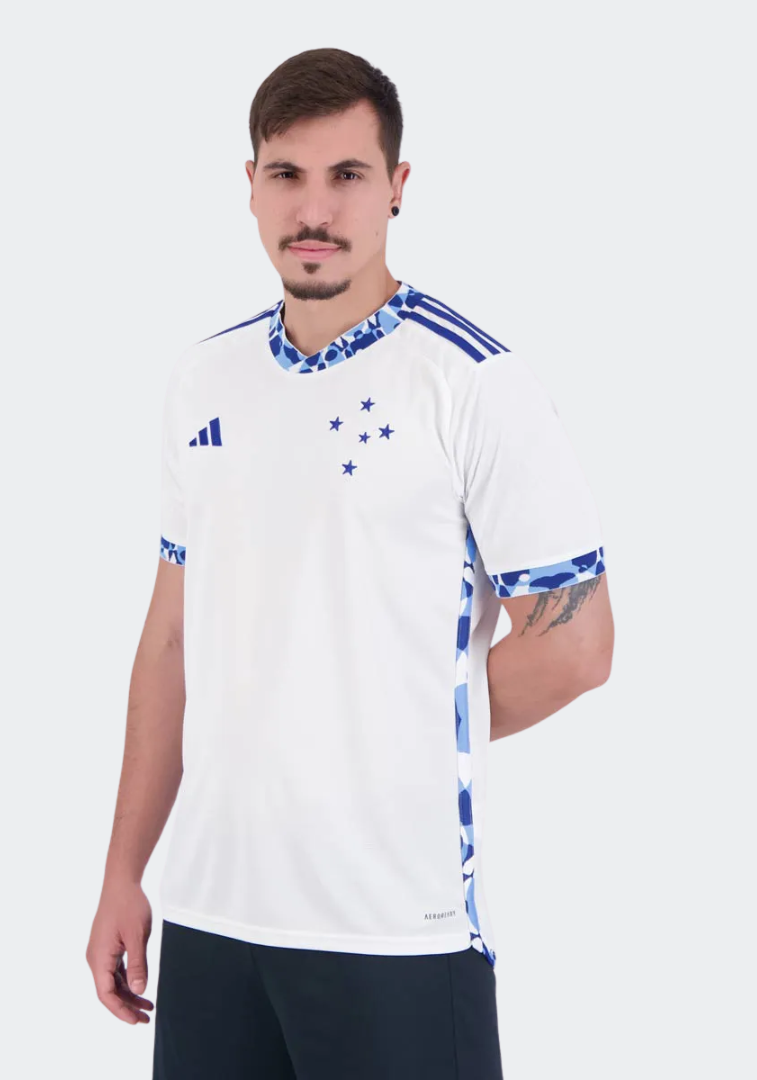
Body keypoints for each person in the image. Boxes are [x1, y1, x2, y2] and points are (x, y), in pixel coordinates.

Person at [86, 46, 614, 1079]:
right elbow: (171, 639)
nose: (314, 208)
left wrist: (378, 731)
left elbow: (577, 644)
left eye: (348, 175)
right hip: (211, 917)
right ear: (250, 185)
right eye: (287, 174)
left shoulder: (470, 381)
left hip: (392, 929)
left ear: (397, 187)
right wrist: (123, 870)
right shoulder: (205, 380)